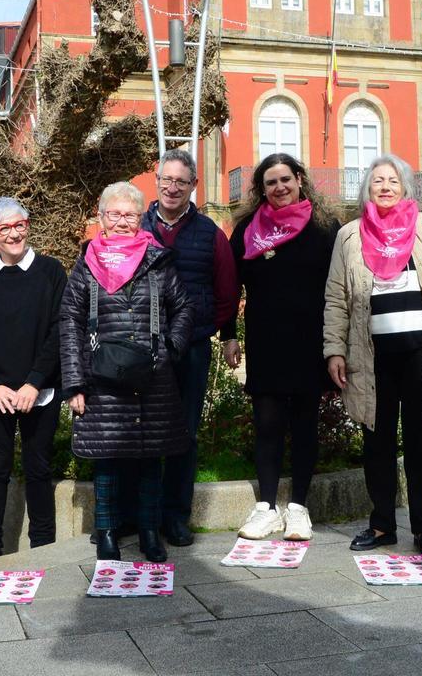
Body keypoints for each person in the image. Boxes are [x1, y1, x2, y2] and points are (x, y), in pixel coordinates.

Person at [322, 154, 422, 559]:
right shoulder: (349, 236)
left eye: (392, 180)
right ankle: (383, 524)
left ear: (404, 188)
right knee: (377, 442)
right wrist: (334, 349)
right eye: (377, 181)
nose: (385, 187)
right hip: (371, 357)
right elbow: (336, 298)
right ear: (366, 190)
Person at [59, 181, 193, 563]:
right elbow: (69, 321)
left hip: (152, 376)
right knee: (107, 459)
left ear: (140, 218)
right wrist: (75, 382)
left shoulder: (157, 260)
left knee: (151, 457)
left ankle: (150, 531)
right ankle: (106, 532)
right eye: (114, 214)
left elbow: (184, 308)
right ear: (101, 218)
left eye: (130, 215)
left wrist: (171, 346)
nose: (121, 221)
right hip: (102, 378)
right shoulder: (87, 263)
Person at [221, 153, 340, 542]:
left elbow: (341, 286)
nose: (279, 187)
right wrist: (229, 334)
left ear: (300, 179)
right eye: (271, 182)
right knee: (267, 425)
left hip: (311, 342)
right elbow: (229, 286)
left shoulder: (326, 227)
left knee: (305, 426)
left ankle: (299, 508)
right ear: (261, 189)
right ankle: (267, 509)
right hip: (266, 341)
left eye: (285, 179)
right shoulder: (246, 231)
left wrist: (340, 344)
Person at [140, 149, 240, 547]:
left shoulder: (210, 233)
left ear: (193, 186)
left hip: (192, 347)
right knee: (141, 432)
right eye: (167, 179)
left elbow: (227, 289)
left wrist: (223, 331)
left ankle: (175, 516)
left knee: (185, 433)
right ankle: (141, 514)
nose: (173, 187)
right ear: (157, 181)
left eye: (181, 181)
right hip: (141, 347)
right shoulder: (135, 226)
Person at [0, 197, 67, 560]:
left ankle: (42, 549)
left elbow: (59, 329)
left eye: (19, 224)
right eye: (4, 228)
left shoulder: (51, 271)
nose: (14, 233)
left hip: (40, 390)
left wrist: (34, 382)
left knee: (39, 469)